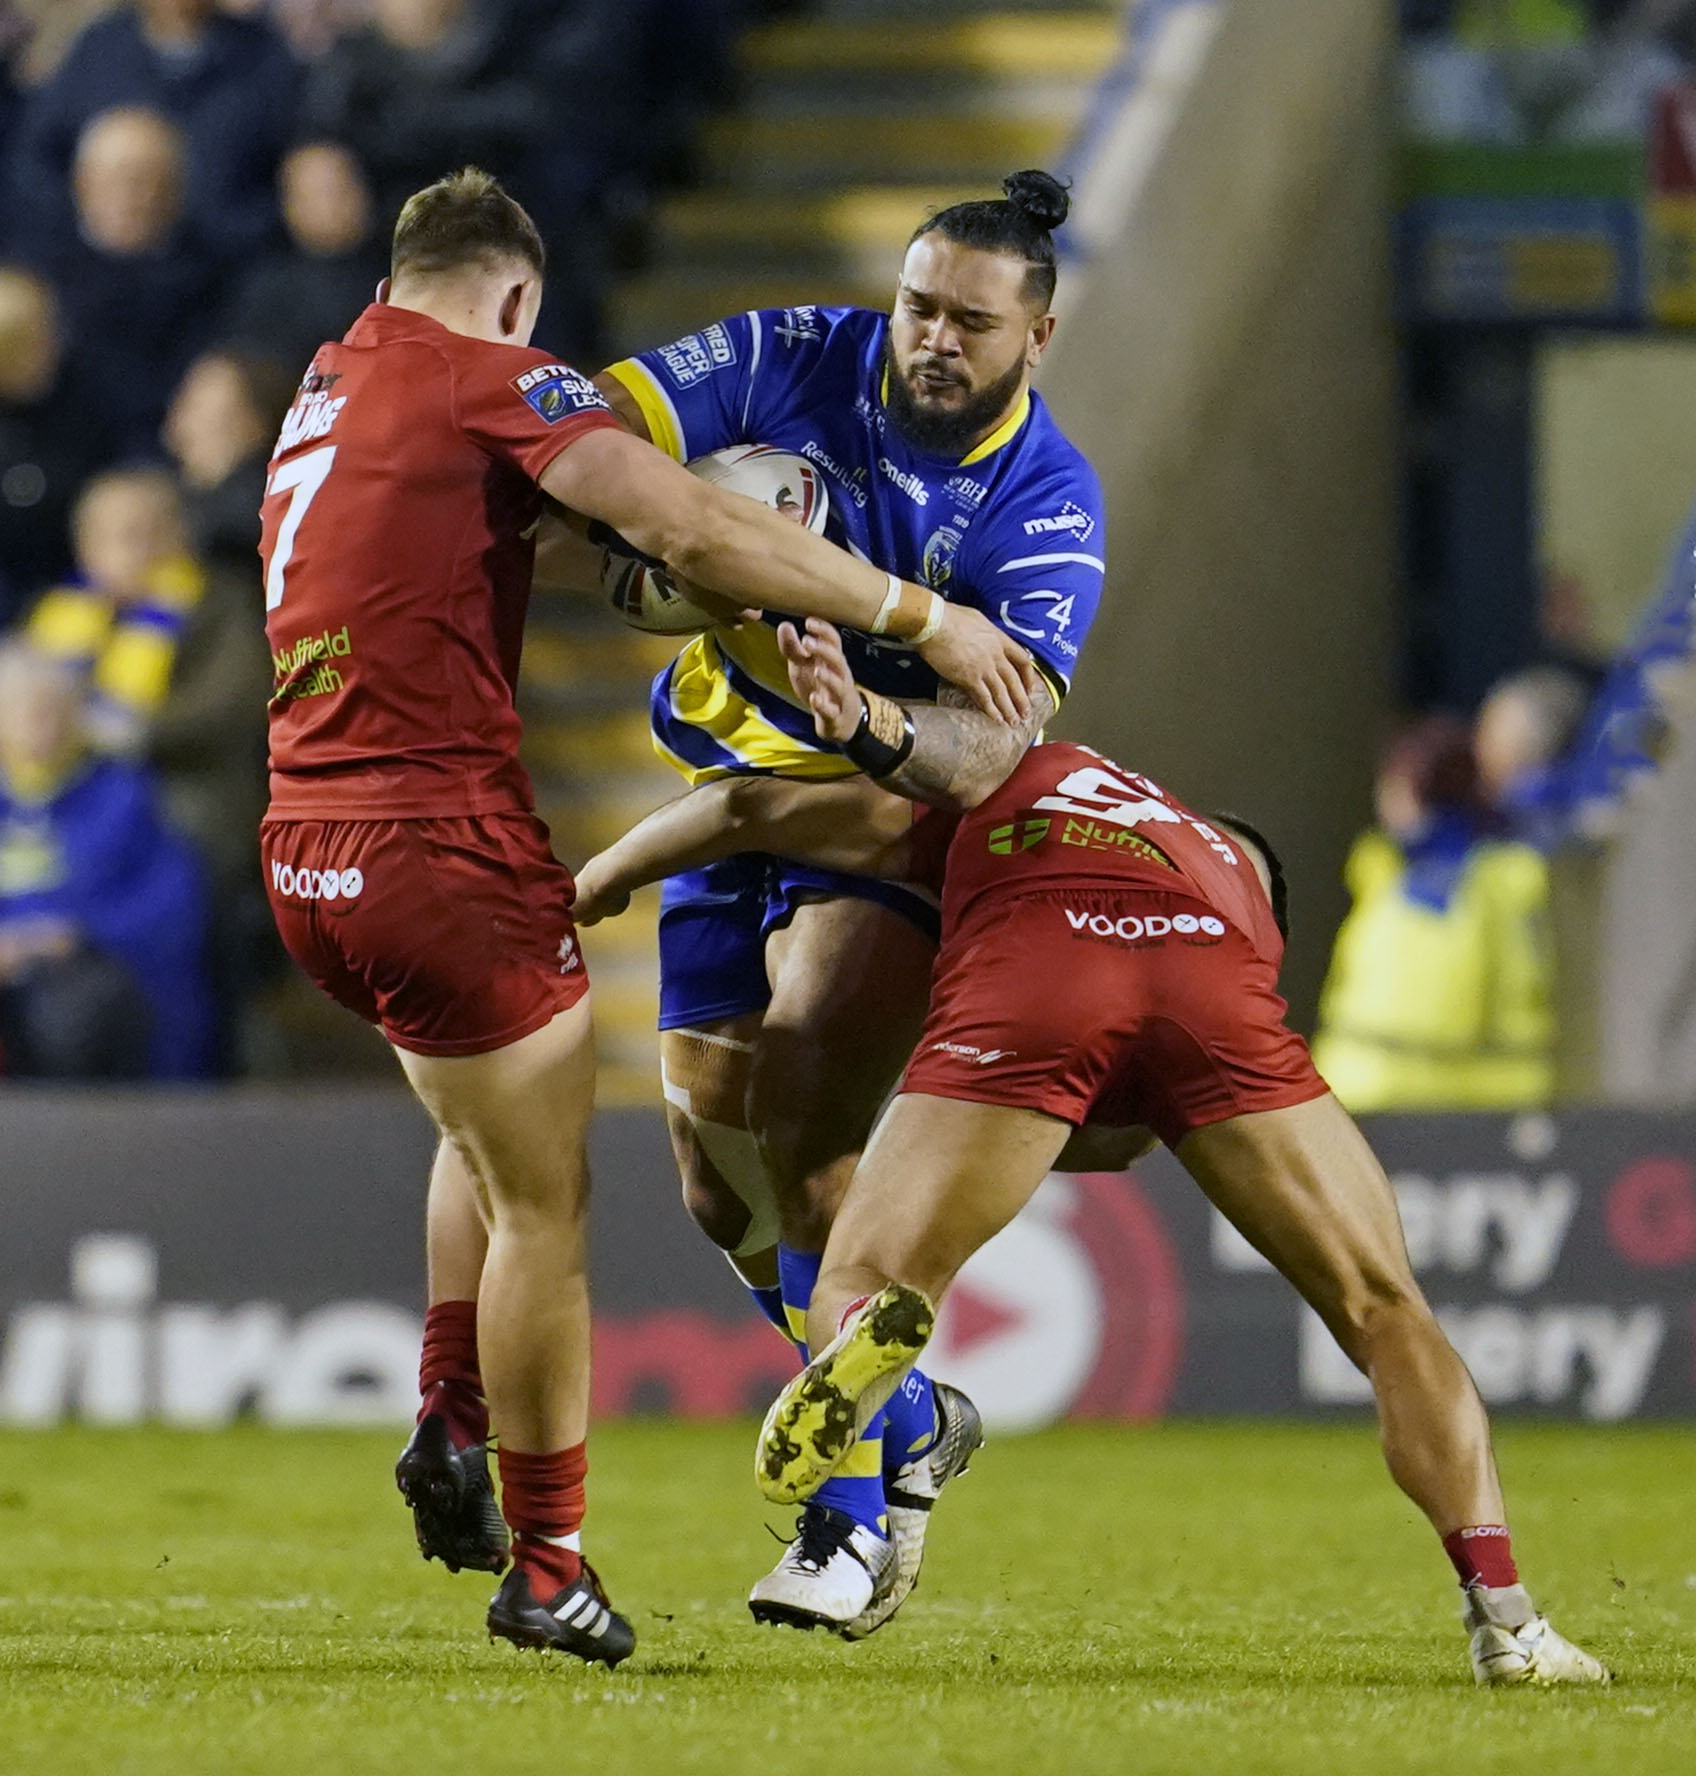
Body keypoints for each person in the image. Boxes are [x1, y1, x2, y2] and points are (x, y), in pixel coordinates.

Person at [255, 166, 1032, 1666]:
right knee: (545, 1206)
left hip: (305, 845)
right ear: (518, 297)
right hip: (437, 845)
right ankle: (548, 1565)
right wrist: (922, 616)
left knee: (480, 1127)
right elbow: (694, 528)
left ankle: (450, 1410)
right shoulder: (497, 377)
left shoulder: (328, 381)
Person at [571, 617, 1613, 1688]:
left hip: (1039, 967)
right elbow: (1124, 1136)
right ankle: (1507, 1618)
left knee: (862, 1269)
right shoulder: (1233, 887)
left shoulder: (1025, 779)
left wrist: (600, 878)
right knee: (1386, 1311)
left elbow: (749, 807)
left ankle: (884, 1464)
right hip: (1212, 991)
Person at [550, 168, 1104, 1630]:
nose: (933, 339)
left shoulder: (1047, 502)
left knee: (804, 1110)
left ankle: (843, 1530)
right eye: (918, 307)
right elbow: (588, 419)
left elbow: (988, 750)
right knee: (714, 1188)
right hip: (730, 778)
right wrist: (659, 524)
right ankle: (909, 1414)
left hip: (883, 818)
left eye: (970, 323)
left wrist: (867, 720)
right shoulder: (796, 352)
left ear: (1036, 338)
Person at [1312, 713, 1554, 1110]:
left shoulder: (1449, 885)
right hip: (1382, 1098)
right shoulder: (1394, 875)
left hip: (1421, 1105)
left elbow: (1430, 1011)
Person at [0, 641, 213, 1080]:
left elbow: (172, 907)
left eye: (49, 709)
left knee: (66, 1017)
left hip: (94, 979)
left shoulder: (122, 798)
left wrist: (72, 934)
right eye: (20, 710)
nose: (38, 724)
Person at [3, 0, 298, 262]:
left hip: (224, 270)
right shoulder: (99, 49)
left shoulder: (264, 57)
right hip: (94, 264)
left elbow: (292, 175)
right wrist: (87, 220)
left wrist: (231, 229)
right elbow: (37, 157)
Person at [33, 107, 219, 461]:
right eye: (119, 177)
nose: (134, 194)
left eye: (150, 178)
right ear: (82, 182)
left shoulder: (213, 276)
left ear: (176, 189)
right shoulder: (39, 277)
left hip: (173, 455)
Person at [218, 140, 388, 374]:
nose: (330, 206)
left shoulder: (400, 275)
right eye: (314, 195)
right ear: (289, 207)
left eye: (339, 190)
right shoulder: (266, 289)